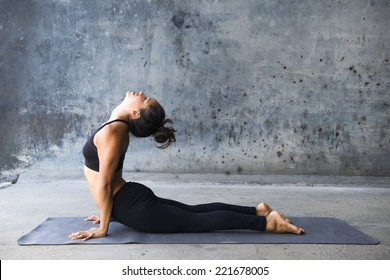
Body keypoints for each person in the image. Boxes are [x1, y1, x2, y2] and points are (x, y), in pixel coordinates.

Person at [69, 91, 304, 241]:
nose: (141, 93)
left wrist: (104, 226)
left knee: (196, 220)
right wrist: (106, 212)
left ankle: (266, 223)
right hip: (128, 201)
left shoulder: (114, 130)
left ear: (134, 113)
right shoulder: (116, 124)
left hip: (130, 204)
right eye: (145, 97)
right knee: (193, 211)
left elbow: (106, 181)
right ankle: (257, 210)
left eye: (144, 99)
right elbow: (106, 179)